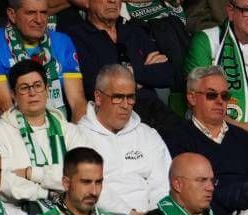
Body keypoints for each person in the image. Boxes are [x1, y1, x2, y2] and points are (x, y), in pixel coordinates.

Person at [0, 60, 92, 207]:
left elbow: (85, 174)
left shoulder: (69, 130)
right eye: (24, 88)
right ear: (13, 95)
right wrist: (47, 194)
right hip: (20, 213)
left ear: (47, 90)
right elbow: (0, 180)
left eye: (37, 86)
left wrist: (30, 173)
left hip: (72, 210)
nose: (32, 92)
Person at [184, 0, 248, 150]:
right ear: (230, 11)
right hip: (218, 131)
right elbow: (199, 100)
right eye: (247, 10)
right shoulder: (206, 41)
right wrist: (242, 129)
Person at [164, 66, 248, 215]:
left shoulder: (244, 138)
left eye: (225, 96)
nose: (220, 101)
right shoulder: (177, 137)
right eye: (211, 95)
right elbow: (189, 190)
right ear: (191, 98)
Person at [76, 64, 173, 215]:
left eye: (130, 97)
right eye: (118, 97)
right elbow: (88, 188)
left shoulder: (148, 134)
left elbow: (163, 184)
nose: (125, 105)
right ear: (98, 97)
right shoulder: (79, 136)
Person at [66, 0, 177, 134]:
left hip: (156, 113)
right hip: (113, 120)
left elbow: (168, 74)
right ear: (87, 3)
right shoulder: (75, 36)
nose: (113, 1)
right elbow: (93, 84)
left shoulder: (134, 31)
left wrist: (133, 72)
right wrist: (143, 75)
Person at [0, 0, 86, 119]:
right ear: (12, 15)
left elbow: (78, 102)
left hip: (61, 126)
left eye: (43, 12)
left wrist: (76, 134)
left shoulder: (63, 42)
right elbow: (5, 106)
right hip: (16, 127)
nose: (39, 20)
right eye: (31, 13)